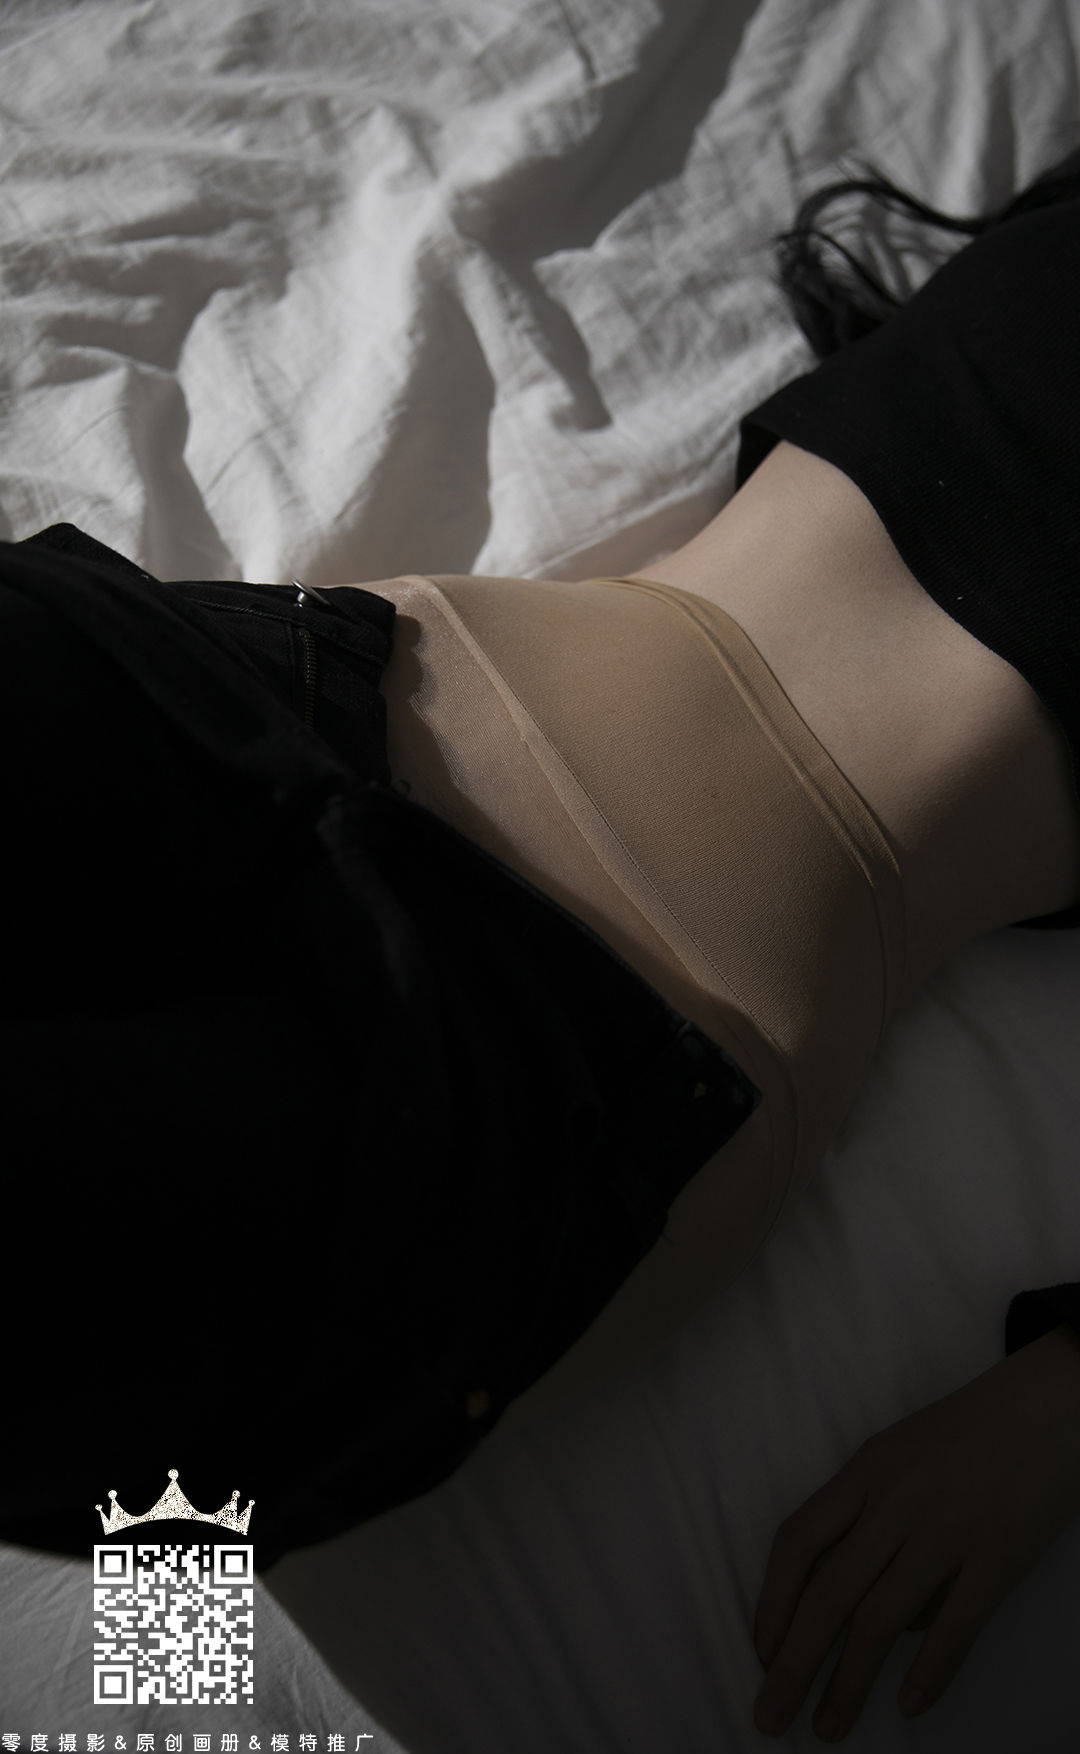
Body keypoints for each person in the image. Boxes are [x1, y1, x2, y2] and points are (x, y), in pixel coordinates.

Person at [3, 142, 1080, 1740]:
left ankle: (176, 1621)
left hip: (595, 1014)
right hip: (316, 688)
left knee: (109, 1353)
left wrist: (1058, 1401)